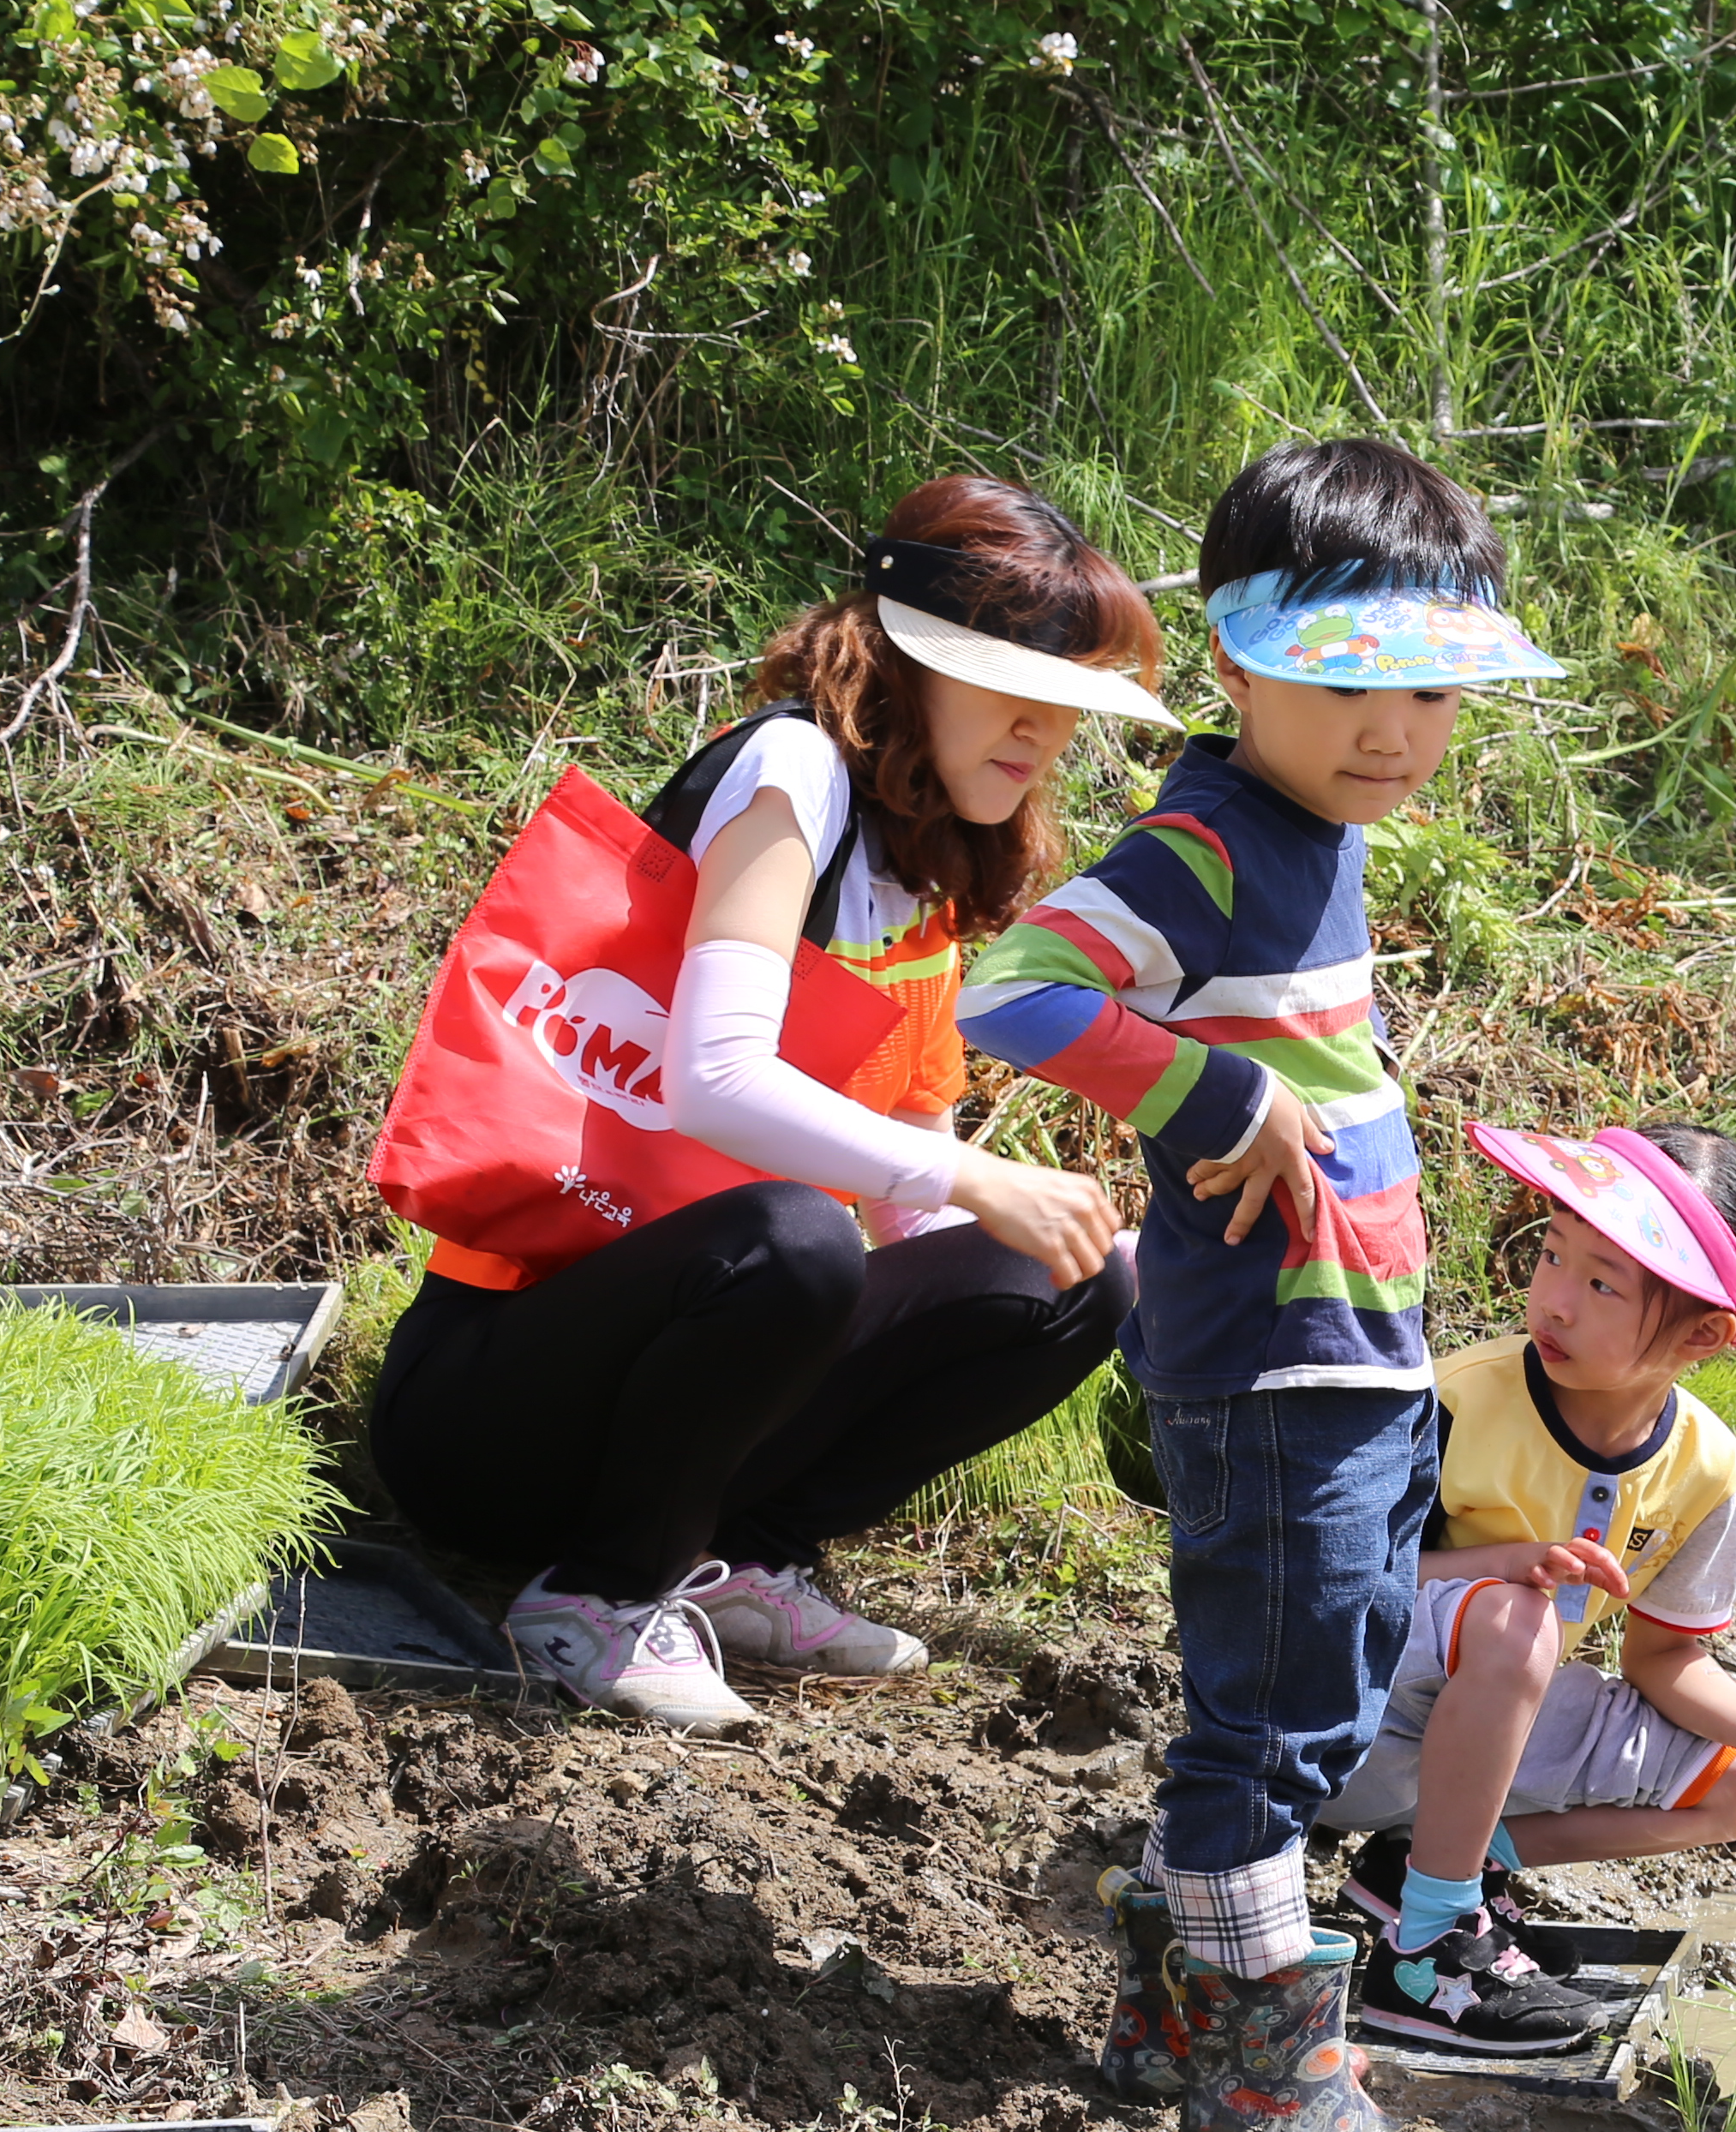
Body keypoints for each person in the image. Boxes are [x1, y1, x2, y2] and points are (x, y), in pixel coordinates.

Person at [956, 438, 1563, 2132]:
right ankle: (1263, 2045)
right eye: (1345, 685)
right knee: (1276, 1718)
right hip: (1272, 1366)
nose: (1397, 731)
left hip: (1354, 1358)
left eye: (1435, 693)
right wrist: (1220, 1101)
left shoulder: (1324, 835)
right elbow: (1015, 992)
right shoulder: (1210, 843)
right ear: (1235, 662)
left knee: (1338, 1677)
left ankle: (1170, 1999)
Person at [368, 476, 1180, 1729]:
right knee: (796, 1237)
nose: (1045, 734)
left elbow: (910, 1158)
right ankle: (594, 1598)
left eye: (1070, 707)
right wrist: (977, 1185)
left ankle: (738, 1556)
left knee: (1076, 1276)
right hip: (488, 1412)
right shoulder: (791, 771)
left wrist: (1029, 1263)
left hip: (678, 1391)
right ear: (913, 662)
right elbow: (716, 1081)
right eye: (1019, 690)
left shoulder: (927, 856)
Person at [1320, 1118, 1736, 2069]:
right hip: (1343, 1722)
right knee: (1518, 1619)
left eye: (1602, 1282)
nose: (1556, 1301)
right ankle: (1429, 1952)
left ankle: (1436, 1869)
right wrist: (1502, 1567)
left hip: (1481, 1742)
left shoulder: (1706, 1469)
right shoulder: (1458, 1399)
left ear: (1706, 1334)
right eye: (1552, 1256)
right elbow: (1335, 1581)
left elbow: (1664, 1660)